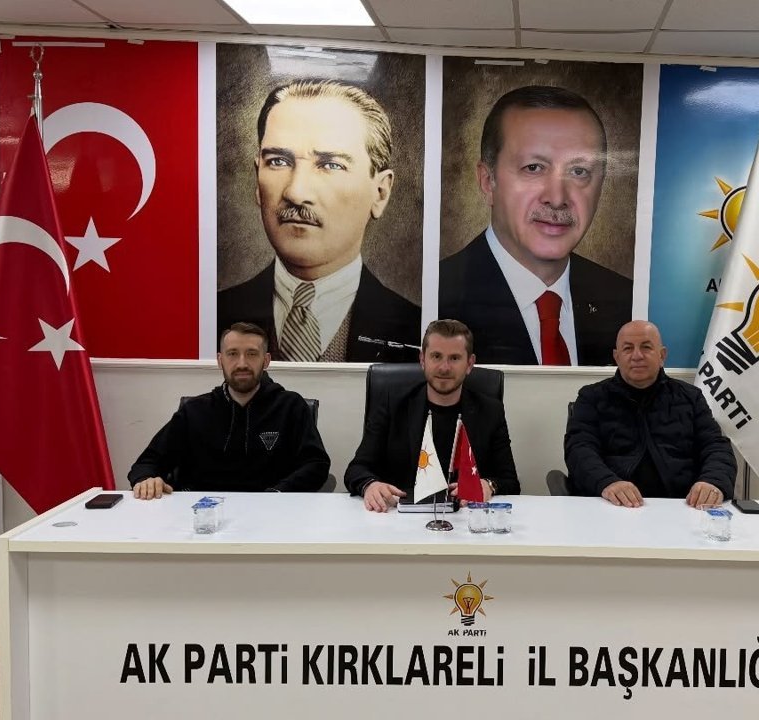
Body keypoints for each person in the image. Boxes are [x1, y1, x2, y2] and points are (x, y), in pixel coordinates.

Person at [218, 79, 419, 363]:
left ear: (380, 192)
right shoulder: (216, 315)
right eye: (278, 161)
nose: (296, 192)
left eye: (331, 165)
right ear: (257, 179)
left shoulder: (415, 333)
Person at [439, 85, 631, 366]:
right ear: (488, 181)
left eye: (579, 171)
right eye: (534, 168)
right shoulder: (436, 297)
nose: (557, 198)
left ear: (601, 186)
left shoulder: (626, 302)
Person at [128, 322, 329, 498]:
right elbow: (147, 462)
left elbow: (316, 464)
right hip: (201, 515)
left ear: (266, 360)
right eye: (232, 354)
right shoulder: (194, 411)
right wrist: (147, 479)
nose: (242, 363)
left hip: (271, 513)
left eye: (252, 354)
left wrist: (277, 494)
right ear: (220, 360)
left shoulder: (291, 407)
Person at [345, 320, 519, 512]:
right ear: (422, 359)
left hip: (466, 518)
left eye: (454, 358)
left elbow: (510, 481)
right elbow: (356, 469)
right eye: (436, 356)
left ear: (469, 364)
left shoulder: (490, 411)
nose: (444, 367)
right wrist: (370, 485)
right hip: (399, 518)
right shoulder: (392, 405)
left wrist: (489, 485)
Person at [565, 320, 736, 508]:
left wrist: (712, 481)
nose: (637, 356)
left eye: (646, 347)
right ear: (617, 357)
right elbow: (579, 449)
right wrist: (607, 482)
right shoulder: (591, 398)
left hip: (682, 506)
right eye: (628, 348)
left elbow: (715, 446)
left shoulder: (691, 398)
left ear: (662, 355)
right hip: (612, 506)